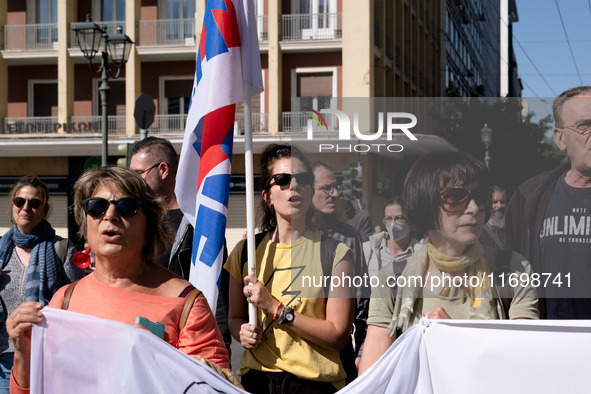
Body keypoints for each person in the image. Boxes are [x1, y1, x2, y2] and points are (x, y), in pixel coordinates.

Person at [7, 167, 230, 392]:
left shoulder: (186, 302)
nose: (110, 215)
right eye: (96, 207)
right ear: (85, 223)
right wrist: (23, 352)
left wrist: (153, 362)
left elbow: (213, 387)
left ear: (149, 225)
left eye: (127, 207)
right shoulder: (65, 299)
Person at [358, 152, 539, 374]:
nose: (473, 208)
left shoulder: (512, 269)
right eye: (455, 197)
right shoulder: (392, 279)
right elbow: (372, 377)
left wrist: (451, 337)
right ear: (425, 202)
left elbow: (525, 363)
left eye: (481, 195)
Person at [225, 144, 355, 393]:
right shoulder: (245, 253)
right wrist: (241, 332)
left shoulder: (335, 253)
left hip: (312, 385)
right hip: (258, 380)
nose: (294, 186)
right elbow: (235, 318)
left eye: (303, 179)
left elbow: (338, 335)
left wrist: (276, 309)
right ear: (267, 196)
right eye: (283, 180)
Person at [130, 137, 232, 354]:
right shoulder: (135, 220)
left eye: (138, 174)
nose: (132, 182)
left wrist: (220, 352)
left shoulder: (200, 225)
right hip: (139, 339)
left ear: (163, 169)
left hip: (182, 342)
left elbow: (216, 294)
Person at [505, 86, 591, 319]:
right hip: (548, 344)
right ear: (560, 138)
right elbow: (510, 277)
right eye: (584, 126)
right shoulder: (527, 198)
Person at [0, 175, 85, 393]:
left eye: (34, 203)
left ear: (45, 210)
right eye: (20, 201)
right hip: (3, 361)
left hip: (47, 358)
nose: (26, 207)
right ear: (13, 206)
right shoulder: (1, 250)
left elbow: (79, 300)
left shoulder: (61, 249)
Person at [311, 160, 369, 382]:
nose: (335, 194)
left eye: (337, 188)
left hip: (339, 353)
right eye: (326, 188)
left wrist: (362, 351)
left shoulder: (349, 236)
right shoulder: (289, 235)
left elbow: (363, 300)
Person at [363, 196, 423, 279]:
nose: (392, 224)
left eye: (398, 218)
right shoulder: (369, 249)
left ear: (409, 221)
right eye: (388, 219)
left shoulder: (421, 253)